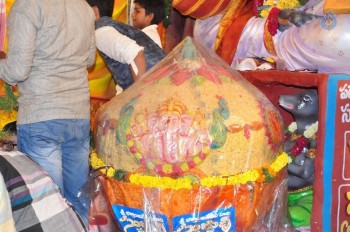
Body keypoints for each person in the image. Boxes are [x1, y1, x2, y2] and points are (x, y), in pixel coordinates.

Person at [0, 0, 96, 225]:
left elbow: (16, 70)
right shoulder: (83, 6)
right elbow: (89, 59)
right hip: (78, 114)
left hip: (42, 114)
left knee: (49, 206)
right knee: (79, 200)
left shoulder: (27, 6)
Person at [87, 0, 165, 91]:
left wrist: (138, 96)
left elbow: (135, 53)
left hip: (154, 90)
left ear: (94, 11)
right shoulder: (112, 26)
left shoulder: (101, 32)